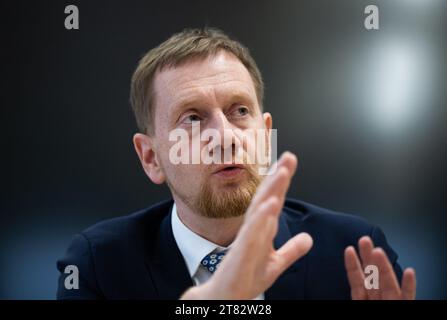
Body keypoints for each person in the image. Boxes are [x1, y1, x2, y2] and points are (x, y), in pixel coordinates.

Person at [57, 28, 416, 300]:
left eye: (240, 111)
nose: (226, 137)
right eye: (193, 118)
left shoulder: (355, 251)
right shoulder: (98, 265)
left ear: (264, 132)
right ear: (151, 158)